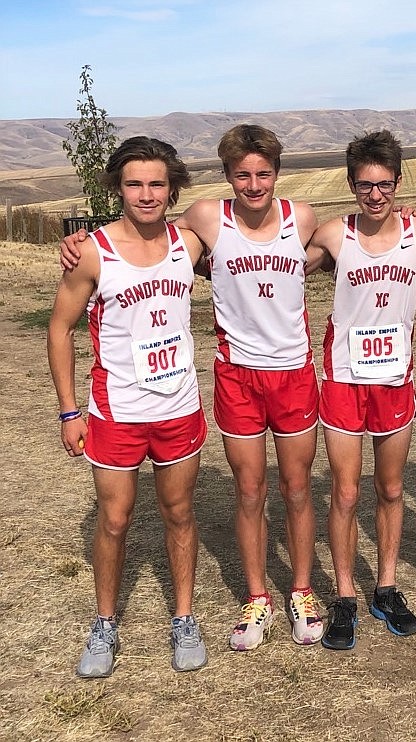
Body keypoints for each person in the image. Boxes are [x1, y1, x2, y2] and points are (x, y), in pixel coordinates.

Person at [62, 124, 328, 649]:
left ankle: (301, 590)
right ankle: (256, 599)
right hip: (237, 374)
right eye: (242, 175)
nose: (254, 185)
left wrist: (402, 216)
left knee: (296, 488)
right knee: (248, 490)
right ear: (228, 177)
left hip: (294, 372)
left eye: (264, 174)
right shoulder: (208, 218)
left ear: (278, 173)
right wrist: (77, 239)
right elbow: (146, 229)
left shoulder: (305, 218)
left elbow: (340, 245)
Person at [48, 136, 209, 676]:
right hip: (116, 411)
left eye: (157, 183)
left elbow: (252, 233)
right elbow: (59, 327)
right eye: (135, 183)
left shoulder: (189, 244)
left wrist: (404, 213)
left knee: (180, 513)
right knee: (114, 520)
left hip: (179, 405)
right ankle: (104, 624)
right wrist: (70, 411)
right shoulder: (92, 250)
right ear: (117, 187)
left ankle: (183, 618)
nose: (146, 194)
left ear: (173, 188)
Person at [312, 130, 416, 649]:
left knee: (390, 488)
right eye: (365, 185)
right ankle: (344, 596)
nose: (376, 195)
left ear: (398, 182)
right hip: (343, 379)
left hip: (394, 380)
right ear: (351, 184)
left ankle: (385, 586)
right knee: (345, 491)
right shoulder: (332, 234)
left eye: (384, 185)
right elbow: (259, 250)